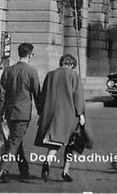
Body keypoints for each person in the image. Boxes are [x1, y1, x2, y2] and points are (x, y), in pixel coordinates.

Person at [35, 54, 86, 183]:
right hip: (69, 114)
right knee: (71, 143)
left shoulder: (50, 75)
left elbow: (43, 95)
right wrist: (80, 114)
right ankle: (65, 172)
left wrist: (41, 112)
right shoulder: (74, 76)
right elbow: (78, 97)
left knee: (55, 143)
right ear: (71, 64)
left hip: (52, 114)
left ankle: (47, 162)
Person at [0, 42, 41, 183]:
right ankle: (4, 169)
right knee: (15, 141)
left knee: (16, 140)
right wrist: (41, 111)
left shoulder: (8, 70)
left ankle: (24, 170)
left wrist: (0, 113)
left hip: (9, 112)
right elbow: (37, 93)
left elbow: (1, 94)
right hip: (23, 113)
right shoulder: (32, 71)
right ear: (29, 55)